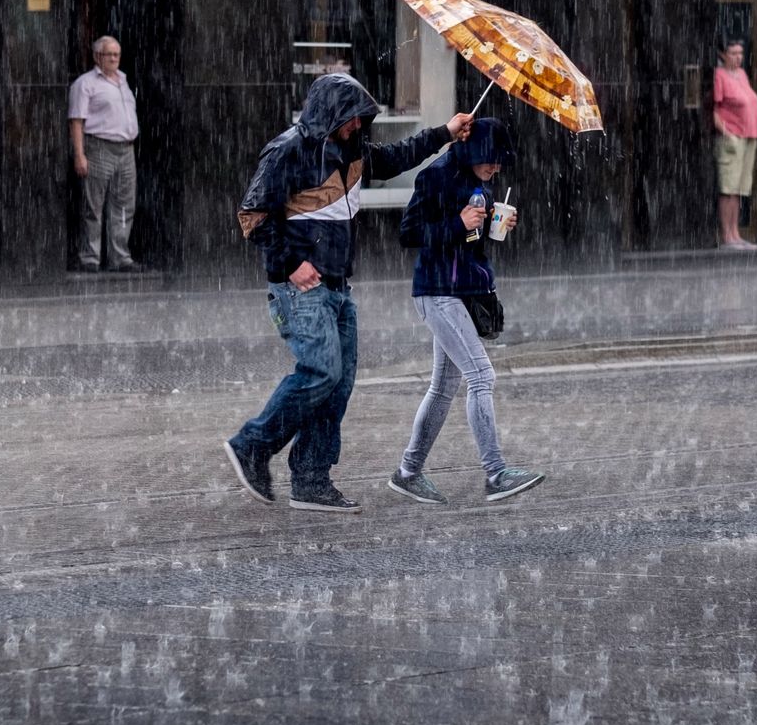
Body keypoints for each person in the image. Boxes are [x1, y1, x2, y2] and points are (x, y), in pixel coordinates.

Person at [222, 73, 473, 513]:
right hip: (301, 287)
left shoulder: (353, 152)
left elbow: (397, 156)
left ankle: (312, 480)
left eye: (362, 118)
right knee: (321, 371)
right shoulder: (288, 150)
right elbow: (252, 215)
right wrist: (291, 265)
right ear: (331, 114)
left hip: (338, 284)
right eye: (352, 118)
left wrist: (445, 133)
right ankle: (252, 446)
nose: (359, 126)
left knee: (338, 384)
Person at [386, 117, 544, 505]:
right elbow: (409, 234)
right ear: (474, 151)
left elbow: (470, 241)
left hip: (462, 291)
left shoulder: (481, 184)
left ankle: (408, 471)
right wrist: (456, 224)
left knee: (444, 387)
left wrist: (491, 224)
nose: (497, 168)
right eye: (492, 159)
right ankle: (495, 473)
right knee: (481, 376)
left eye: (501, 162)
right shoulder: (436, 177)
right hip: (437, 291)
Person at [68, 36, 143, 272]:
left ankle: (120, 257)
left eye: (117, 54)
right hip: (99, 147)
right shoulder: (85, 83)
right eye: (109, 54)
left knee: (124, 205)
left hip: (126, 149)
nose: (114, 59)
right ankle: (90, 257)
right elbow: (76, 121)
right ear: (97, 56)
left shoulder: (123, 80)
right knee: (94, 204)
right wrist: (79, 154)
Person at [713, 38, 757, 250]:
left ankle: (736, 233)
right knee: (728, 188)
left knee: (740, 188)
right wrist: (727, 133)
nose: (738, 57)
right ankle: (727, 236)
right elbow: (714, 109)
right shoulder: (719, 75)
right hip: (732, 138)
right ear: (723, 54)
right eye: (733, 53)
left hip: (749, 135)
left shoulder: (741, 74)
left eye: (740, 53)